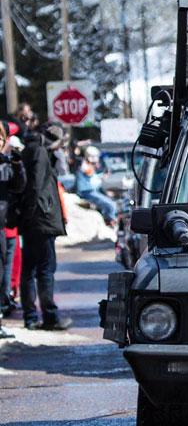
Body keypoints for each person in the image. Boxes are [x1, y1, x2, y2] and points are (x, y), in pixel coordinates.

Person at [18, 123, 70, 330]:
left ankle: (30, 317)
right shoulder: (40, 152)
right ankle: (50, 317)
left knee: (29, 271)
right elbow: (37, 188)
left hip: (33, 220)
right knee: (45, 270)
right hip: (41, 221)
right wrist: (35, 214)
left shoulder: (30, 149)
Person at [0, 122, 25, 337]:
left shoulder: (6, 163)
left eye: (1, 138)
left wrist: (17, 165)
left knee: (3, 273)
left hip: (4, 224)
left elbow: (18, 187)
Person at [76, 146, 117, 226]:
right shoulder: (85, 165)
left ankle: (108, 220)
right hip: (87, 192)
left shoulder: (88, 165)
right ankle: (110, 221)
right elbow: (90, 176)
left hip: (91, 191)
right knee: (111, 205)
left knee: (110, 204)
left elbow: (93, 178)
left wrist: (102, 176)